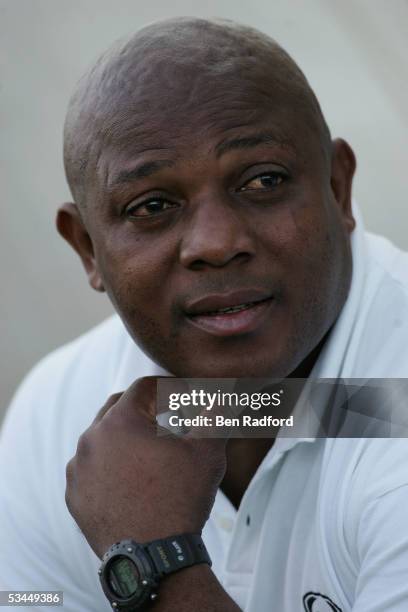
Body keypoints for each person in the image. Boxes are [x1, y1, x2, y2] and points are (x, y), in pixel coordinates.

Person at [1, 16, 408, 612]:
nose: (216, 243)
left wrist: (157, 561)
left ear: (338, 188)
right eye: (153, 205)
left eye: (263, 180)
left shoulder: (390, 401)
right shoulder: (55, 407)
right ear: (88, 249)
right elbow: (27, 601)